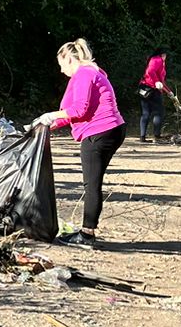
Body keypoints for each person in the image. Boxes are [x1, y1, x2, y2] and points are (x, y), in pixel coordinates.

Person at [34, 39, 126, 249]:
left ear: (70, 58)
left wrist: (49, 115)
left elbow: (79, 110)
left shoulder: (84, 74)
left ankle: (86, 235)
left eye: (61, 64)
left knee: (91, 185)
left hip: (100, 132)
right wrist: (45, 125)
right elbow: (70, 115)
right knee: (93, 183)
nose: (61, 69)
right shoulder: (92, 72)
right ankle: (87, 231)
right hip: (110, 129)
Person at [138, 48, 171, 143]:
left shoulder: (152, 59)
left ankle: (142, 137)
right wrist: (156, 82)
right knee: (158, 112)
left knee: (145, 113)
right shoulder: (158, 59)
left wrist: (169, 92)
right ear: (163, 54)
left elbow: (161, 81)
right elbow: (150, 72)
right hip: (152, 89)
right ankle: (157, 135)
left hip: (144, 88)